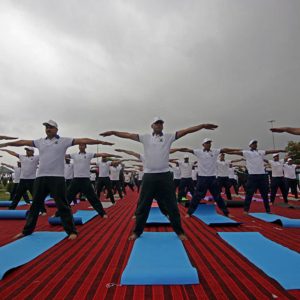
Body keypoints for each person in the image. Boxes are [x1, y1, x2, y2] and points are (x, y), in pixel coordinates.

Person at [100, 117, 218, 240]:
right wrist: (113, 132)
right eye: (157, 123)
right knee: (143, 205)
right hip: (149, 176)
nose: (159, 125)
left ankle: (179, 231)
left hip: (165, 175)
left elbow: (186, 131)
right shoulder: (145, 137)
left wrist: (202, 125)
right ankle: (137, 232)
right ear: (152, 125)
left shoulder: (169, 137)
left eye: (161, 123)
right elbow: (128, 135)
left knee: (172, 204)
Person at [0, 119, 113, 240]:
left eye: (50, 127)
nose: (48, 129)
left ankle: (71, 231)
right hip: (41, 178)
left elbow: (83, 139)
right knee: (35, 205)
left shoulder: (63, 141)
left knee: (63, 205)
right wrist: (7, 144)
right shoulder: (39, 142)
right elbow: (22, 142)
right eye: (46, 127)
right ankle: (27, 230)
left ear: (56, 129)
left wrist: (100, 142)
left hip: (57, 178)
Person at [171, 139, 240, 217]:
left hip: (212, 178)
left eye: (210, 143)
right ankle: (189, 213)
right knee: (196, 196)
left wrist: (236, 149)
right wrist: (178, 149)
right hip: (202, 178)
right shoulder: (198, 152)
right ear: (203, 144)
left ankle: (226, 213)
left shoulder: (214, 151)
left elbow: (224, 149)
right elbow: (187, 149)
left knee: (217, 196)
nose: (209, 144)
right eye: (207, 143)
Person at [230, 140, 286, 214]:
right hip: (252, 176)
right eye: (253, 144)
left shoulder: (261, 152)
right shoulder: (247, 152)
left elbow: (270, 151)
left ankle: (268, 210)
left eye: (256, 143)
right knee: (249, 193)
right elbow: (236, 153)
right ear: (250, 145)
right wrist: (226, 151)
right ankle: (246, 210)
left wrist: (280, 150)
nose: (255, 145)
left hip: (262, 176)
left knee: (265, 194)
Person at [0, 148, 46, 212]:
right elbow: (13, 153)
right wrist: (6, 150)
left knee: (36, 196)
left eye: (28, 150)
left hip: (32, 180)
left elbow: (46, 155)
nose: (27, 151)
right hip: (23, 180)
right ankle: (11, 208)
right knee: (17, 195)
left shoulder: (36, 157)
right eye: (26, 150)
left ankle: (42, 210)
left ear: (32, 152)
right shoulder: (22, 157)